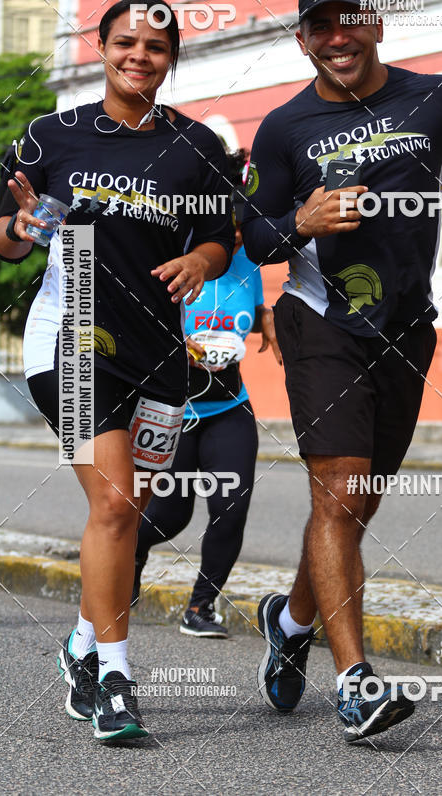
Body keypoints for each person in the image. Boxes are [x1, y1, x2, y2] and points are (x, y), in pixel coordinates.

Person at [241, 0, 442, 742]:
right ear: (303, 41)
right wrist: (303, 221)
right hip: (321, 321)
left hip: (404, 327)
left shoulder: (436, 97)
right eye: (321, 26)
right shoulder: (284, 129)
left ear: (376, 24)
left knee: (356, 507)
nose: (337, 37)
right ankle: (355, 685)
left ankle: (289, 620)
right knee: (341, 495)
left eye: (350, 20)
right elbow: (254, 239)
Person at [0, 0, 235, 742]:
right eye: (125, 42)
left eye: (155, 49)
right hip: (70, 338)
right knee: (115, 507)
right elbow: (0, 234)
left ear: (171, 60)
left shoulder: (196, 147)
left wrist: (200, 257)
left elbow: (221, 240)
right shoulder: (50, 137)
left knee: (130, 519)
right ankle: (118, 684)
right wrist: (21, 227)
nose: (139, 56)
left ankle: (81, 646)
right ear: (100, 47)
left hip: (160, 352)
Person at [132, 150, 282, 637]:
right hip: (176, 412)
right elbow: (142, 328)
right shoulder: (173, 264)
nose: (236, 235)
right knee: (170, 515)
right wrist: (181, 347)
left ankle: (200, 607)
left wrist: (270, 323)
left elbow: (255, 311)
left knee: (231, 508)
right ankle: (129, 558)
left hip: (230, 406)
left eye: (240, 227)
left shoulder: (245, 265)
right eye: (229, 225)